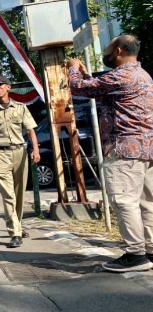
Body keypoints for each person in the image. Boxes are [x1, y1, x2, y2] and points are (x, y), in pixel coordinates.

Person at [67, 34, 153, 273]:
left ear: (117, 51)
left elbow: (78, 88)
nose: (104, 52)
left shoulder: (122, 75)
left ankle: (135, 255)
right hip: (145, 150)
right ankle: (149, 250)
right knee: (146, 203)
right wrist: (85, 74)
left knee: (125, 201)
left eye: (107, 48)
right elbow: (100, 90)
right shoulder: (141, 75)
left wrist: (74, 69)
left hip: (124, 148)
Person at [0, 75, 40, 248]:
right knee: (8, 195)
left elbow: (30, 130)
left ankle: (18, 224)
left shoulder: (20, 108)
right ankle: (15, 232)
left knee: (19, 193)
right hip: (1, 154)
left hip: (20, 152)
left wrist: (35, 149)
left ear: (8, 87)